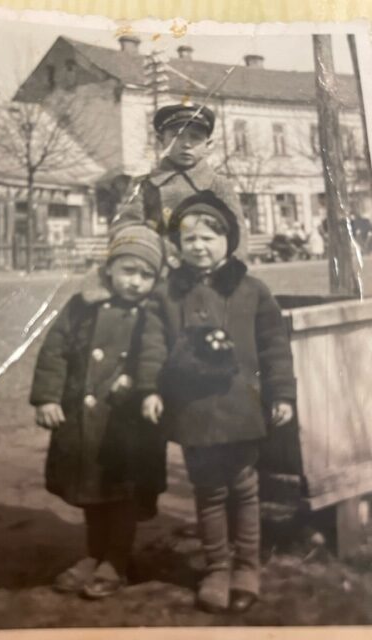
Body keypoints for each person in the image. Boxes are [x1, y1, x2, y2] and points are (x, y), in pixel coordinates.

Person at [137, 190, 296, 613]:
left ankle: (246, 568)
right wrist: (150, 389)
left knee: (244, 489)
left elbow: (274, 348)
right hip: (193, 411)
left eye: (209, 238)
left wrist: (281, 394)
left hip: (241, 407)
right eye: (189, 240)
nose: (199, 247)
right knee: (207, 492)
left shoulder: (252, 291)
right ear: (178, 246)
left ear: (228, 241)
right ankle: (216, 569)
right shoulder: (165, 294)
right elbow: (151, 346)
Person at [30, 223, 166, 600]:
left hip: (127, 422)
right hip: (85, 416)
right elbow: (54, 351)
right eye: (128, 271)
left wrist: (141, 385)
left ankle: (117, 560)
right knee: (91, 488)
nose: (136, 282)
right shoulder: (82, 306)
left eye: (146, 275)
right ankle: (94, 554)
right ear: (109, 270)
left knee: (122, 492)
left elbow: (157, 357)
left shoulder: (153, 313)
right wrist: (48, 398)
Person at [113, 102, 248, 262]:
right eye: (176, 136)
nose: (186, 144)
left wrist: (228, 275)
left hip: (210, 274)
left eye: (196, 137)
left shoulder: (219, 185)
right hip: (159, 274)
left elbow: (238, 237)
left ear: (208, 144)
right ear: (160, 140)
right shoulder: (143, 185)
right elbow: (126, 231)